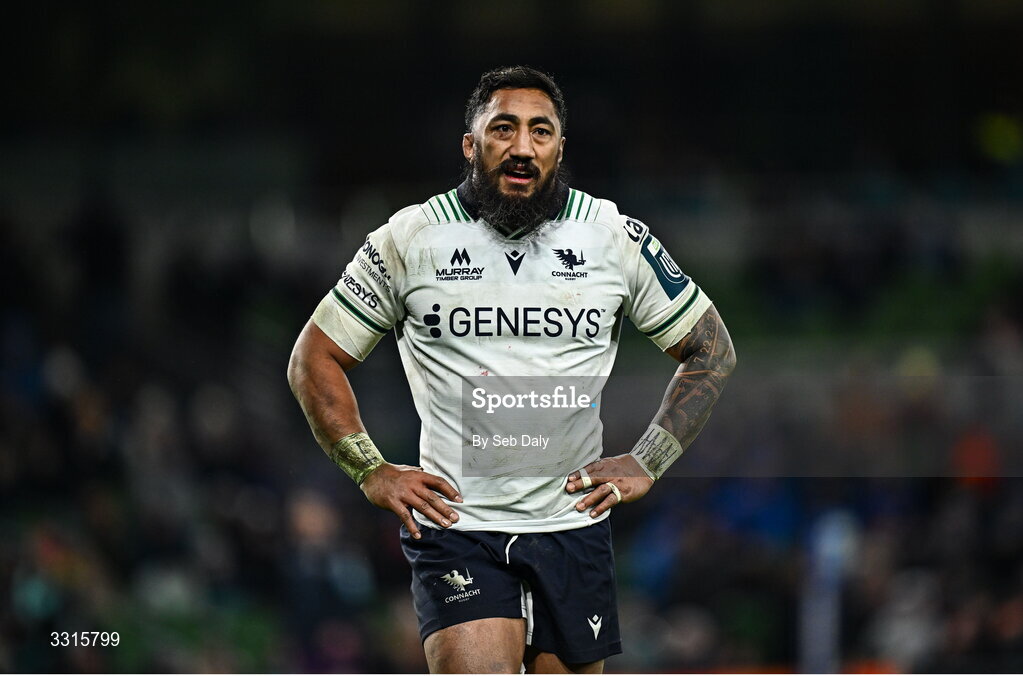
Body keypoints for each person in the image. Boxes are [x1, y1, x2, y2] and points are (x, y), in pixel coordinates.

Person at [288, 65, 736, 674]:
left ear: (559, 148)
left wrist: (649, 459)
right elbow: (314, 358)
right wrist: (370, 469)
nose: (523, 147)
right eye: (504, 128)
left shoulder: (612, 235)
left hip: (572, 527)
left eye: (541, 132)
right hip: (457, 528)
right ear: (471, 145)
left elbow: (711, 349)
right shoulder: (412, 237)